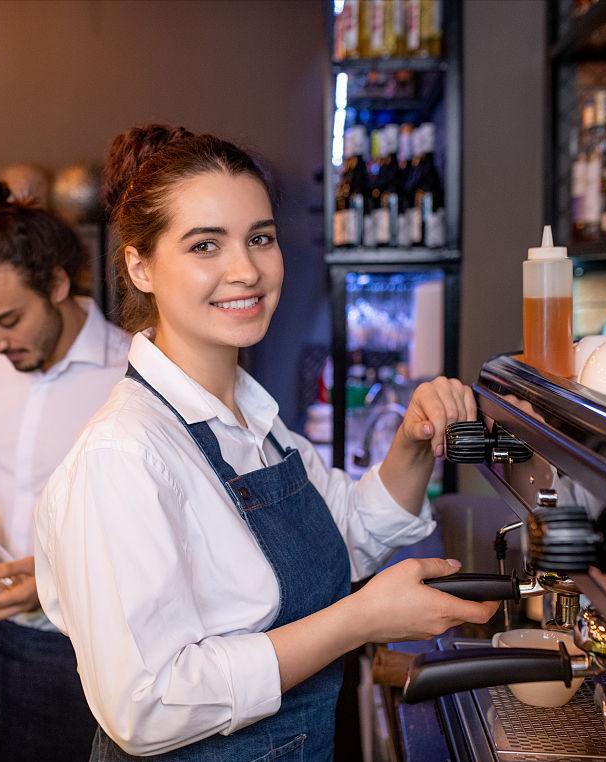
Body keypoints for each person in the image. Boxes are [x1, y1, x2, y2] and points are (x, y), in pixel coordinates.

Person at [33, 125, 499, 761]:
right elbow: (145, 705)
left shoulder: (257, 424)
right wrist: (361, 620)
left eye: (260, 238)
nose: (246, 271)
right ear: (140, 267)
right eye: (205, 245)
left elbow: (349, 533)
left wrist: (415, 439)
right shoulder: (123, 455)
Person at [0, 178, 131, 761]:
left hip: (86, 652)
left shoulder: (131, 374)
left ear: (58, 284)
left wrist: (57, 584)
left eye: (8, 319)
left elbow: (163, 536)